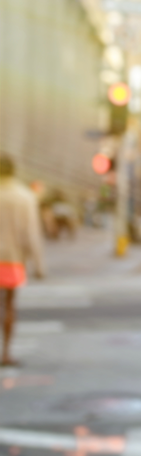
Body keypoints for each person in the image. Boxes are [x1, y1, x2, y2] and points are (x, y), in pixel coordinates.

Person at [0, 153, 46, 367]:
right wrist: (39, 265)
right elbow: (31, 233)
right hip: (11, 259)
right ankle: (6, 352)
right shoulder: (24, 196)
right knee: (9, 305)